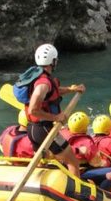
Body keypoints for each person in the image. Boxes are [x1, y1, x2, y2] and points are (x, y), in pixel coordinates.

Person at [26, 43, 85, 177]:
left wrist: (71, 89)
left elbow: (53, 92)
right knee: (73, 162)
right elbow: (33, 110)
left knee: (43, 159)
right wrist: (56, 118)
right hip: (44, 130)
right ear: (52, 61)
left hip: (32, 129)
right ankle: (76, 195)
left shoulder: (37, 76)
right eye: (56, 59)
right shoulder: (43, 83)